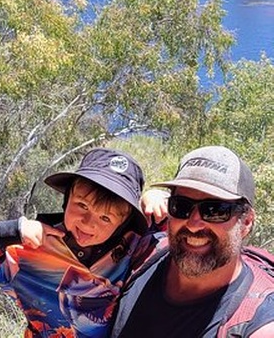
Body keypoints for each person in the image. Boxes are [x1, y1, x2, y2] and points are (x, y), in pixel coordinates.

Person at [0, 148, 167, 338]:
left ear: (123, 224)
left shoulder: (132, 249)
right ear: (66, 200)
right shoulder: (30, 249)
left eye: (105, 218)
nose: (88, 223)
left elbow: (178, 248)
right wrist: (8, 232)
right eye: (82, 206)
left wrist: (162, 205)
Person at [111, 145, 274, 338]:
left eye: (215, 210)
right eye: (181, 206)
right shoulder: (143, 253)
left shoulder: (256, 323)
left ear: (246, 222)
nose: (194, 224)